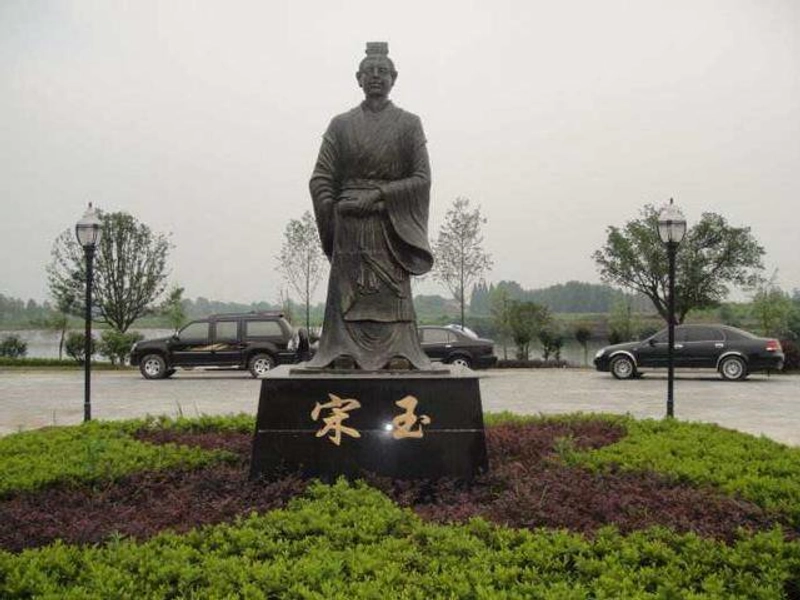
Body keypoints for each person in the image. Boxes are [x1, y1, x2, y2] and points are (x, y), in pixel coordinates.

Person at [306, 42, 433, 370]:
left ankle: (399, 351)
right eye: (369, 72)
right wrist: (335, 210)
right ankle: (340, 349)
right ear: (358, 78)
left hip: (389, 224)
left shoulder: (409, 124)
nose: (376, 77)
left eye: (383, 71)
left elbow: (421, 178)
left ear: (394, 77)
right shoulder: (340, 125)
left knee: (390, 297)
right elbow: (320, 178)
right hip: (349, 225)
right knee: (350, 297)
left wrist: (378, 198)